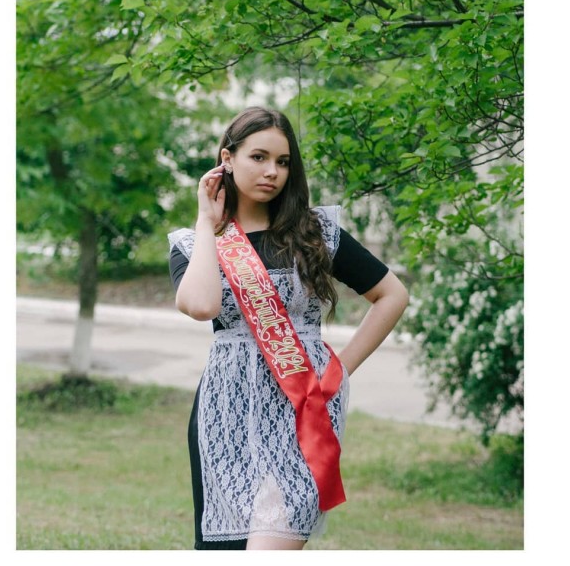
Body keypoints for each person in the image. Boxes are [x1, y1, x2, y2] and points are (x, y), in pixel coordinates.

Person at [168, 107, 409, 550]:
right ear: (227, 159)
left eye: (283, 162)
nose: (272, 172)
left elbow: (392, 295)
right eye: (258, 157)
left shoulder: (315, 233)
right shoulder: (194, 243)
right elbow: (201, 305)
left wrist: (340, 370)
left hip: (303, 409)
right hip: (227, 412)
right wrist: (206, 221)